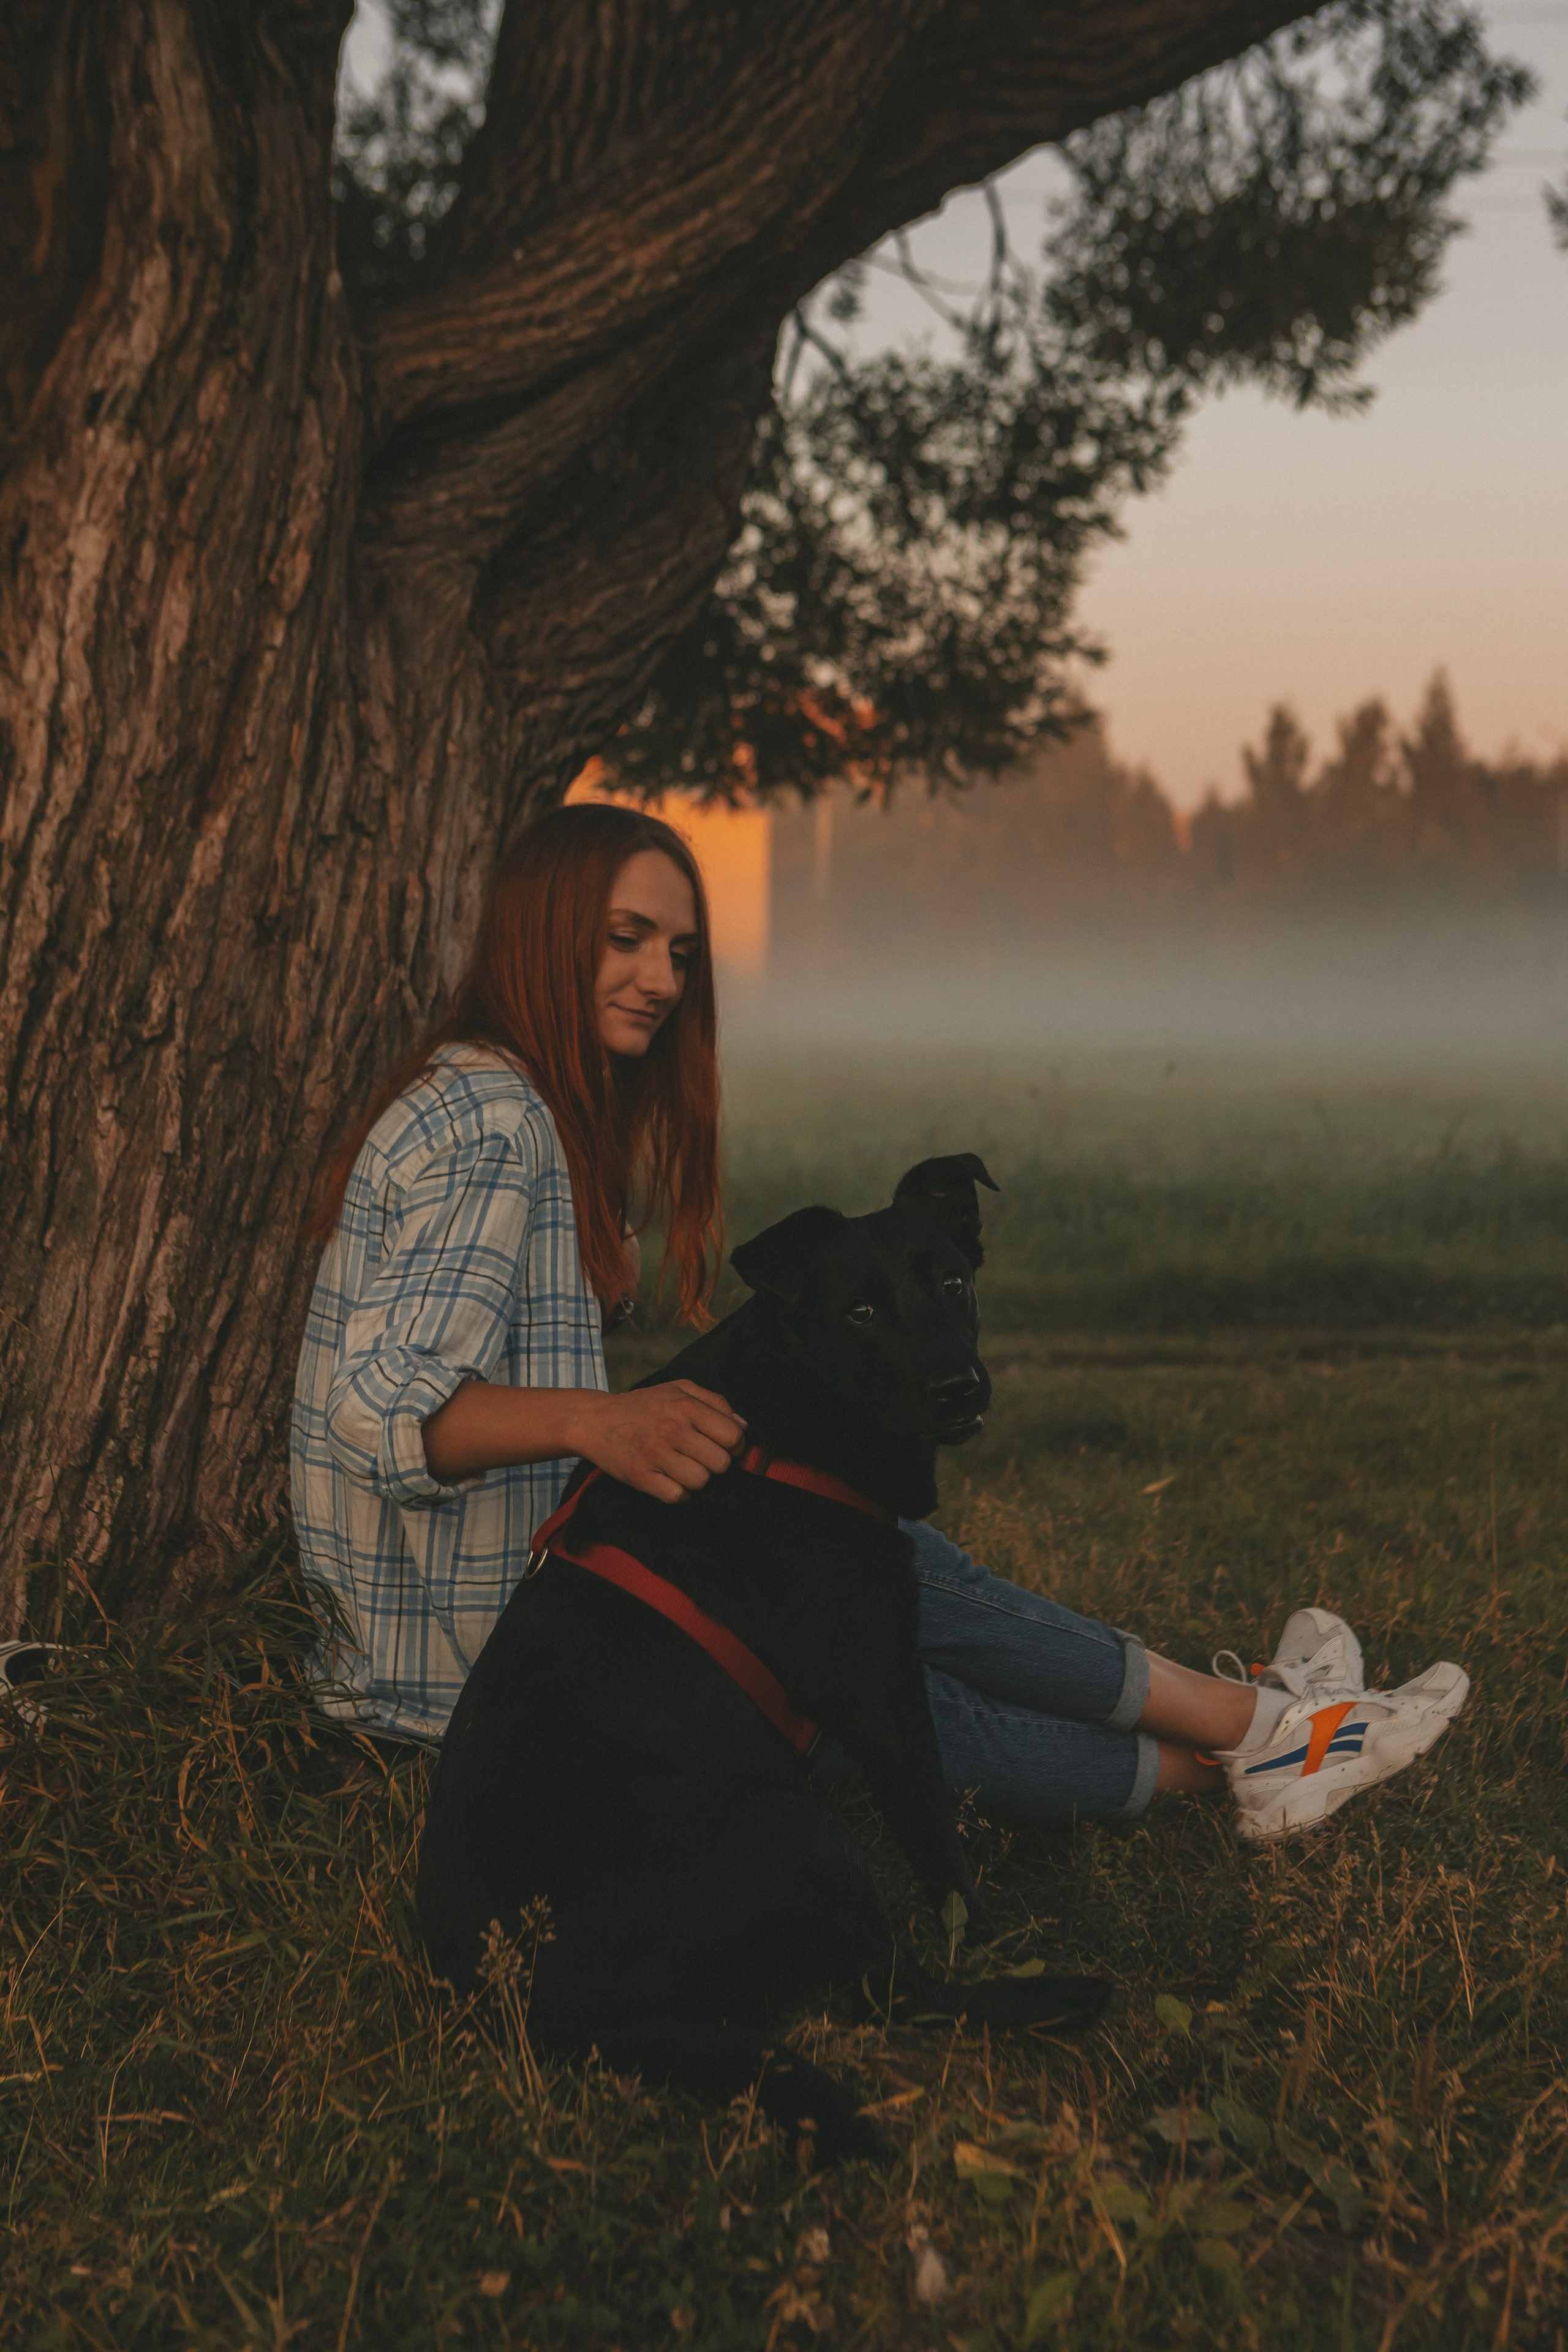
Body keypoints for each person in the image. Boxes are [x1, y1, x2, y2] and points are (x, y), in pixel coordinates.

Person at [290, 802, 1466, 1837]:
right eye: (625, 939)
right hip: (482, 1672)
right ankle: (1278, 1735)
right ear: (539, 934)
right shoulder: (498, 1125)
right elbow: (378, 1407)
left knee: (862, 1588)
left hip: (461, 1649)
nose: (661, 977)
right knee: (872, 1593)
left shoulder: (485, 1096)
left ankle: (1269, 1742)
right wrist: (604, 1421)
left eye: (681, 951)